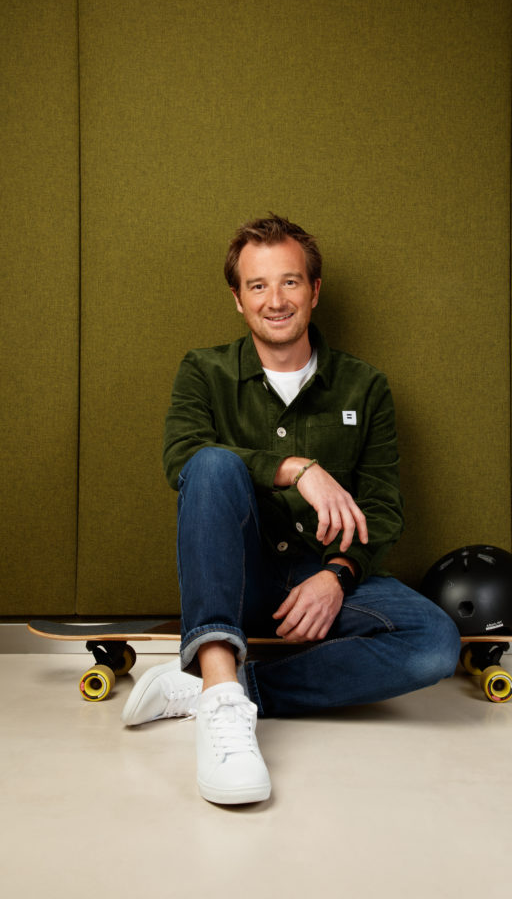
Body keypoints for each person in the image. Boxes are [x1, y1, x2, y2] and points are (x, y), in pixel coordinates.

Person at [121, 214, 461, 805]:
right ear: (238, 298)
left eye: (290, 282)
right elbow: (181, 460)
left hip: (319, 575)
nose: (275, 301)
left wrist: (338, 575)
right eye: (257, 285)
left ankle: (221, 689)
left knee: (434, 643)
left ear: (314, 290)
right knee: (210, 464)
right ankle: (222, 704)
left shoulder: (365, 387)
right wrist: (296, 468)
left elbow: (381, 506)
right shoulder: (203, 371)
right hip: (238, 576)